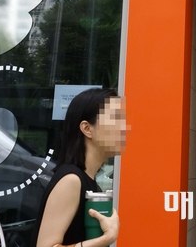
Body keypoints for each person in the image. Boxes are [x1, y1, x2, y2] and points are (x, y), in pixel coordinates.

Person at [33, 88, 127, 247]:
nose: (123, 128)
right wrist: (106, 239)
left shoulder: (88, 181)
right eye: (115, 119)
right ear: (87, 129)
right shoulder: (71, 180)